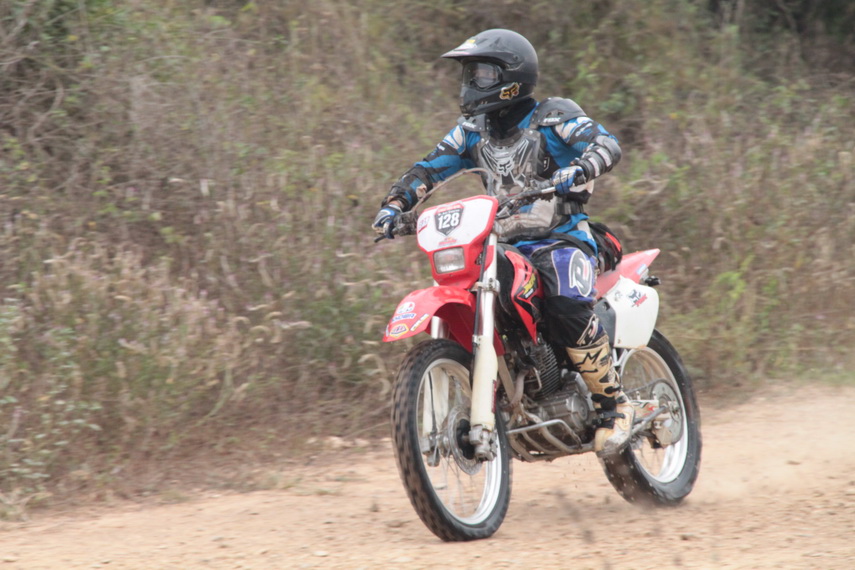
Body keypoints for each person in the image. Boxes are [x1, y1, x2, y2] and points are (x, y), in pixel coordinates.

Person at [372, 29, 630, 455]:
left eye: (483, 74)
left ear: (512, 76)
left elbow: (605, 143)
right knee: (471, 290)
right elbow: (428, 169)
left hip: (561, 237)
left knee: (565, 302)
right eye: (470, 75)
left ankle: (614, 405)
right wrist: (395, 205)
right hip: (500, 245)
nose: (473, 83)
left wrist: (583, 167)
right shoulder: (471, 131)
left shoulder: (554, 117)